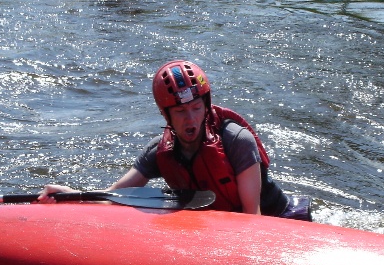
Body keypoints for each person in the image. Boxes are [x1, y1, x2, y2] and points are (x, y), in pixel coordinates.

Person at [39, 60, 312, 221]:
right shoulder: (159, 152)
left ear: (206, 105)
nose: (190, 119)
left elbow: (253, 218)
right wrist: (70, 196)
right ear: (165, 114)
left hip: (278, 221)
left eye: (196, 108)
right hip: (220, 225)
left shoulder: (237, 141)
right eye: (180, 112)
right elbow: (113, 197)